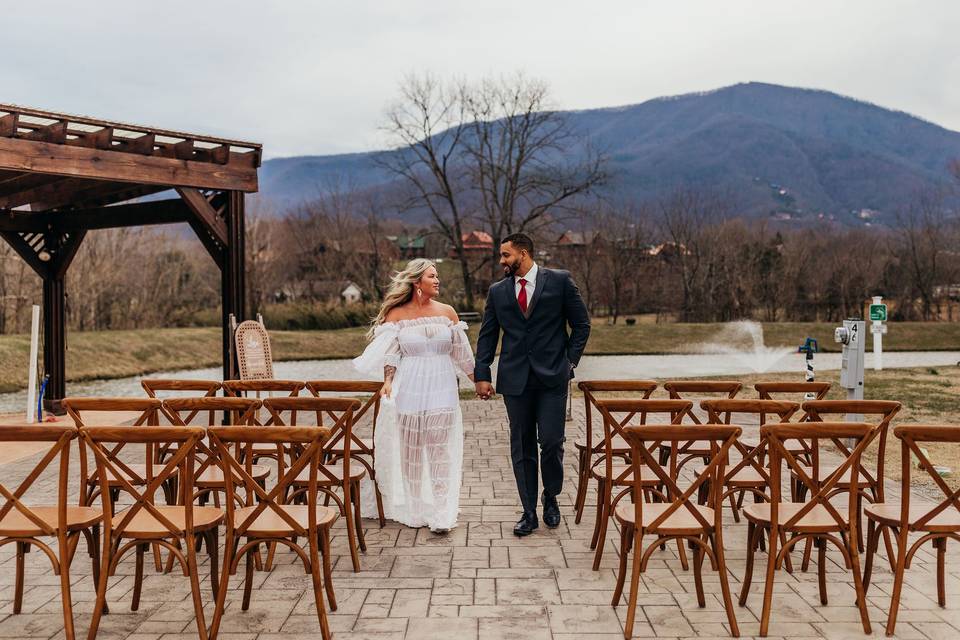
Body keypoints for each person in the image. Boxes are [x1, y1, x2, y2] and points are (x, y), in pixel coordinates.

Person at [474, 233, 591, 536]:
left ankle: (550, 496)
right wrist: (482, 373)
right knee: (522, 445)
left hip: (553, 377)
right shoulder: (498, 292)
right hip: (515, 379)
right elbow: (488, 335)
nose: (501, 261)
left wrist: (570, 362)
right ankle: (528, 512)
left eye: (505, 255)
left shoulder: (560, 281)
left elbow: (582, 325)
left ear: (523, 254)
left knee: (552, 443)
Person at [353, 259, 475, 533]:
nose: (437, 280)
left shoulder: (448, 313)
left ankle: (442, 512)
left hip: (442, 389)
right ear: (417, 282)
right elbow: (391, 354)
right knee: (410, 451)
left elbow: (463, 354)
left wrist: (478, 381)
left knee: (439, 450)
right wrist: (387, 380)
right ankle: (416, 507)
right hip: (408, 389)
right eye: (432, 276)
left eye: (437, 275)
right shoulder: (396, 315)